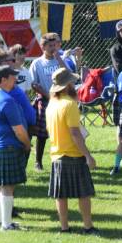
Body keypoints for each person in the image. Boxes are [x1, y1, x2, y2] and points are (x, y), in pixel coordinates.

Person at [46, 68, 98, 233]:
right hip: (73, 154)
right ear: (67, 84)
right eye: (72, 81)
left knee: (61, 195)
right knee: (84, 194)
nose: (75, 83)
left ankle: (64, 227)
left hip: (57, 155)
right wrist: (88, 156)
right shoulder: (70, 105)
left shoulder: (51, 105)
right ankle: (88, 226)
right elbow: (75, 133)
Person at [0, 64, 31, 231]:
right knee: (8, 186)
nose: (16, 81)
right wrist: (27, 144)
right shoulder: (7, 100)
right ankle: (6, 224)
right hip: (8, 145)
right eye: (13, 78)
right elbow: (18, 130)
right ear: (3, 79)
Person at [29, 33, 78, 171]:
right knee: (42, 134)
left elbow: (69, 76)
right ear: (43, 47)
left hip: (62, 99)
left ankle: (66, 156)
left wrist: (59, 58)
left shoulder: (60, 59)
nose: (53, 48)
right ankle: (38, 161)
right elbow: (34, 84)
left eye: (54, 45)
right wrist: (47, 95)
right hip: (45, 99)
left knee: (64, 129)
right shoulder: (37, 63)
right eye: (49, 46)